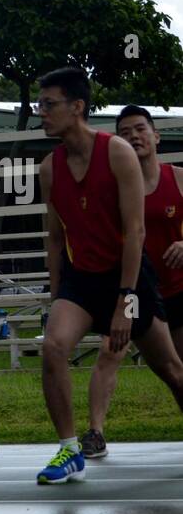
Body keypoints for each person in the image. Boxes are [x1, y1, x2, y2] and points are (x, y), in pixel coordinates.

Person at [34, 68, 183, 484]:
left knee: (170, 368)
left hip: (128, 275)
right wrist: (56, 294)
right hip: (81, 279)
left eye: (49, 104)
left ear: (77, 107)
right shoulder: (49, 168)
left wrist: (125, 303)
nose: (41, 113)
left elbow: (135, 233)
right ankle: (69, 450)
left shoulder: (116, 152)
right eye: (39, 105)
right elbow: (55, 236)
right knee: (53, 347)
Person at [80, 105, 183, 458]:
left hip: (177, 289)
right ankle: (94, 432)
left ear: (156, 136)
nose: (134, 136)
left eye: (140, 129)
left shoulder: (177, 179)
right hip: (135, 288)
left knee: (176, 371)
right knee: (111, 350)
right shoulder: (114, 187)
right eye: (125, 132)